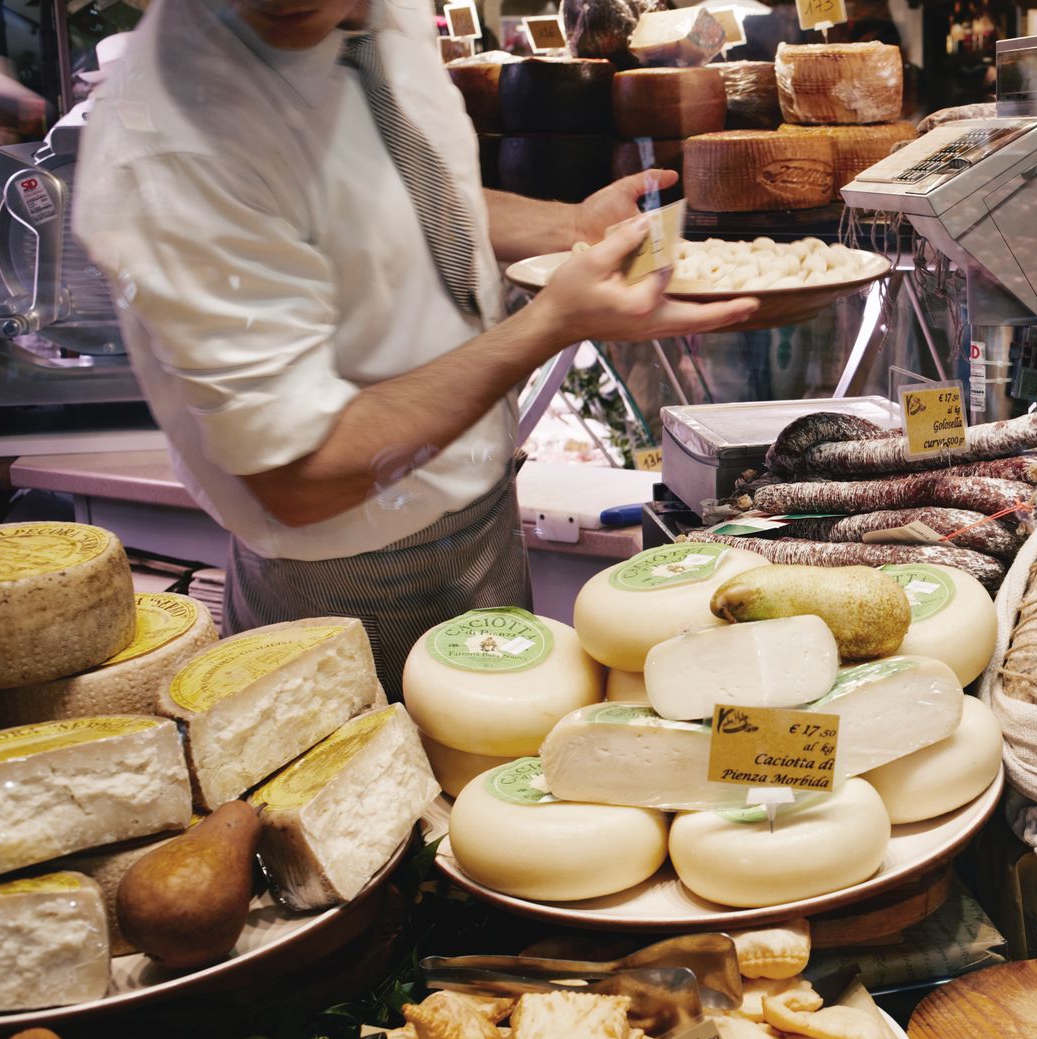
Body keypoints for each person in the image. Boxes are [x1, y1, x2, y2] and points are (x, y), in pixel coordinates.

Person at [74, 0, 757, 692]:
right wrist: (548, 324)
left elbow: (402, 184)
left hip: (486, 513)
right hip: (345, 574)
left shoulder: (366, 19)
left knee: (503, 776)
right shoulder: (176, 143)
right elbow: (299, 476)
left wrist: (567, 226)